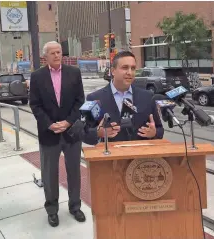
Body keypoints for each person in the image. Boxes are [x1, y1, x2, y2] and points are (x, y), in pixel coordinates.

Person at [29, 41, 86, 227]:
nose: (56, 55)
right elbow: (35, 105)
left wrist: (68, 122)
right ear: (45, 56)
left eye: (59, 52)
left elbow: (80, 101)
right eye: (52, 53)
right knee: (49, 174)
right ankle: (52, 210)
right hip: (49, 134)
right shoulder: (37, 77)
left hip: (71, 132)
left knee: (74, 172)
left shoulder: (74, 73)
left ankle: (75, 206)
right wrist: (50, 125)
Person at [85, 51, 164, 144]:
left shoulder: (147, 96)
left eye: (133, 68)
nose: (130, 72)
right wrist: (98, 133)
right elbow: (85, 134)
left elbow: (160, 130)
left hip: (141, 156)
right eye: (125, 68)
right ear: (113, 71)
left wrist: (154, 133)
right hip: (110, 156)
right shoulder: (95, 98)